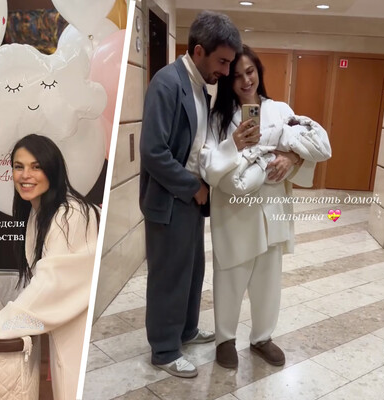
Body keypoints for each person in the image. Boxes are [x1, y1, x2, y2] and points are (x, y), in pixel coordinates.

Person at [199, 45, 331, 369]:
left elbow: (307, 145)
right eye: (237, 75)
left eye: (250, 72)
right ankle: (225, 339)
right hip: (235, 208)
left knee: (268, 279)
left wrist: (292, 158)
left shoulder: (281, 110)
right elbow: (208, 163)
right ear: (227, 80)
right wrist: (236, 145)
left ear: (259, 72)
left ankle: (262, 338)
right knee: (231, 275)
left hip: (272, 205)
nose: (246, 81)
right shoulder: (217, 117)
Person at [0, 134, 99, 400]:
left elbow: (49, 288)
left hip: (80, 329)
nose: (25, 175)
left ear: (52, 170)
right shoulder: (39, 213)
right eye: (19, 167)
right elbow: (39, 288)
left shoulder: (68, 215)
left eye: (36, 166)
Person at [138, 10, 243, 378]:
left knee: (192, 270)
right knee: (169, 275)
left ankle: (185, 330)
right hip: (170, 199)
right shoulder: (167, 83)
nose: (226, 71)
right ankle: (164, 350)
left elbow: (195, 144)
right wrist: (193, 186)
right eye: (222, 62)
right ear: (199, 51)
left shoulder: (198, 85)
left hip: (190, 200)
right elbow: (153, 152)